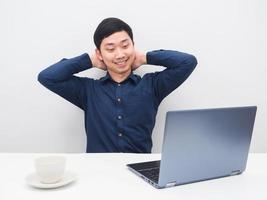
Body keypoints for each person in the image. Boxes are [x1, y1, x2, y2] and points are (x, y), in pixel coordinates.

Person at [38, 17, 198, 153]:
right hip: (98, 172)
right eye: (110, 48)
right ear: (100, 53)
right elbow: (47, 77)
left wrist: (145, 58)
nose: (120, 54)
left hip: (139, 173)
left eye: (125, 46)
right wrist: (89, 61)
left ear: (133, 46)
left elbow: (188, 62)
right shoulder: (87, 90)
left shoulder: (152, 86)